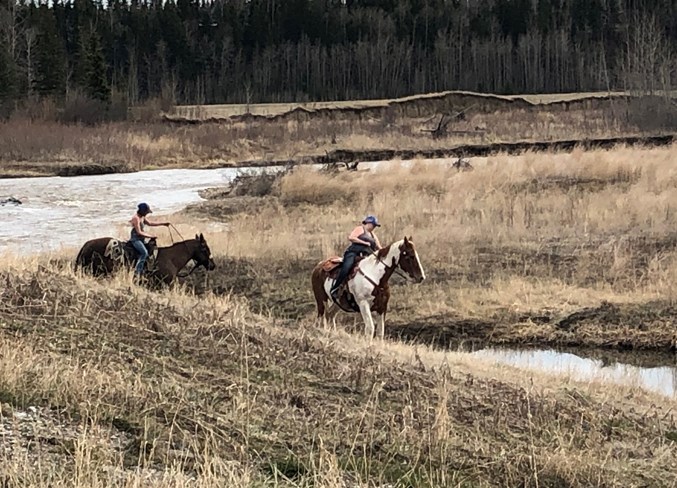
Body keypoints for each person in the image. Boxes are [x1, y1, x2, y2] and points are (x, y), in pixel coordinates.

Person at [330, 215, 383, 301]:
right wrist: (364, 242)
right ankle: (335, 288)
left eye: (375, 226)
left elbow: (379, 247)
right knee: (347, 267)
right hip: (353, 253)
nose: (374, 227)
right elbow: (351, 238)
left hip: (366, 256)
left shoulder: (373, 235)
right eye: (373, 225)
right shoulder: (360, 229)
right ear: (368, 223)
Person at [129, 202, 169, 276]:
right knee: (144, 253)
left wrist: (163, 224)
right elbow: (139, 232)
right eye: (146, 212)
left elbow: (150, 223)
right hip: (136, 240)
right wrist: (150, 236)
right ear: (142, 211)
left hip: (141, 239)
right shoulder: (136, 218)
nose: (147, 214)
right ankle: (137, 272)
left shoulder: (142, 217)